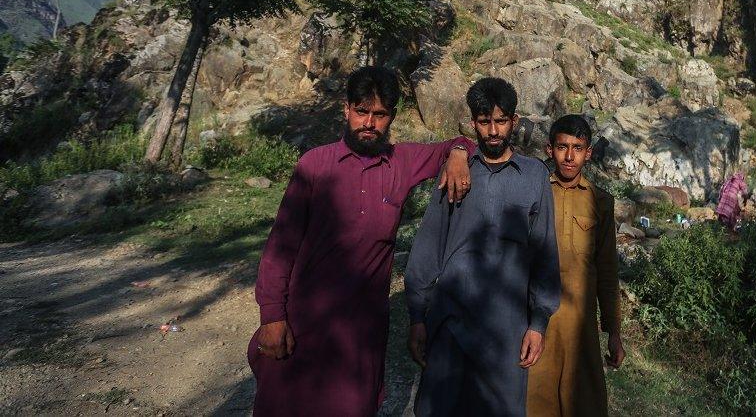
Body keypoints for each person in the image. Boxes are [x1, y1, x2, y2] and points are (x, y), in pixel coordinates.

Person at [248, 66, 475, 417]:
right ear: (347, 109)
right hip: (303, 321)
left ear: (392, 117)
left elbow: (459, 144)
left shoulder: (402, 162)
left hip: (360, 333)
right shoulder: (315, 165)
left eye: (379, 114)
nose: (369, 123)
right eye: (361, 111)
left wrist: (458, 152)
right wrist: (272, 317)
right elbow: (281, 246)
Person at [405, 77, 561, 417]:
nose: (492, 131)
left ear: (514, 122)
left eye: (500, 121)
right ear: (473, 122)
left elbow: (544, 252)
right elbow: (429, 245)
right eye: (484, 121)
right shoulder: (455, 172)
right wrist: (418, 316)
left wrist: (538, 323)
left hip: (506, 329)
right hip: (450, 322)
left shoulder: (534, 176)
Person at [527, 114, 624, 417]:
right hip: (536, 323)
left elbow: (607, 271)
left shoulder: (601, 201)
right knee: (535, 400)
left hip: (581, 328)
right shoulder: (533, 192)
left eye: (578, 148)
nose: (569, 157)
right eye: (562, 147)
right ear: (549, 149)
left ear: (589, 153)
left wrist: (614, 331)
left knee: (583, 403)